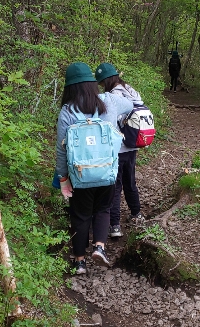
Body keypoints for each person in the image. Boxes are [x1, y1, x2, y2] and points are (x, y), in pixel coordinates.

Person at [56, 62, 133, 275]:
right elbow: (130, 105)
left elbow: (61, 148)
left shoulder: (67, 111)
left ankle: (80, 261)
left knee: (80, 215)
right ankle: (100, 247)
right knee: (103, 209)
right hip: (108, 171)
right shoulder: (108, 101)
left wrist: (63, 178)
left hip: (80, 174)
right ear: (92, 83)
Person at [95, 62, 145, 238]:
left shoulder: (112, 97)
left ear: (106, 80)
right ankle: (136, 214)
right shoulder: (131, 90)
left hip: (117, 148)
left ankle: (115, 225)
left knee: (115, 187)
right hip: (132, 145)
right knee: (130, 181)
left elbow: (109, 121)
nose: (101, 85)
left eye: (101, 82)